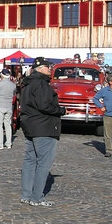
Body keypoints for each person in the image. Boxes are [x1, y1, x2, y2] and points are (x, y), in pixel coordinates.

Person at [18, 57, 64, 207]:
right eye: (47, 67)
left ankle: (26, 194)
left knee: (30, 161)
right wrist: (61, 110)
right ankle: (37, 197)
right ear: (40, 68)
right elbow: (45, 105)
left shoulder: (28, 84)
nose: (50, 69)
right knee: (43, 163)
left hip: (30, 125)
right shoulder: (41, 84)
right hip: (44, 126)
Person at [0, 68, 17, 150]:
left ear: (2, 75)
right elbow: (14, 94)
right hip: (8, 106)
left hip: (0, 106)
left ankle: (0, 144)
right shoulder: (13, 85)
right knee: (8, 125)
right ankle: (8, 143)